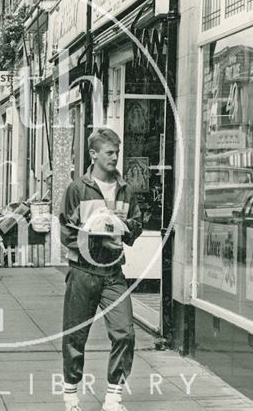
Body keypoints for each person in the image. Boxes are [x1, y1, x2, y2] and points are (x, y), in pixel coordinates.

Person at [59, 128, 143, 411]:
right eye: (110, 152)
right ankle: (70, 395)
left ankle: (113, 397)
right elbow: (66, 232)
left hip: (113, 273)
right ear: (93, 154)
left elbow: (137, 226)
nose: (115, 157)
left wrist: (127, 226)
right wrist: (98, 234)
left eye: (117, 152)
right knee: (75, 335)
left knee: (125, 333)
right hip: (83, 271)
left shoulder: (126, 189)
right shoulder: (77, 188)